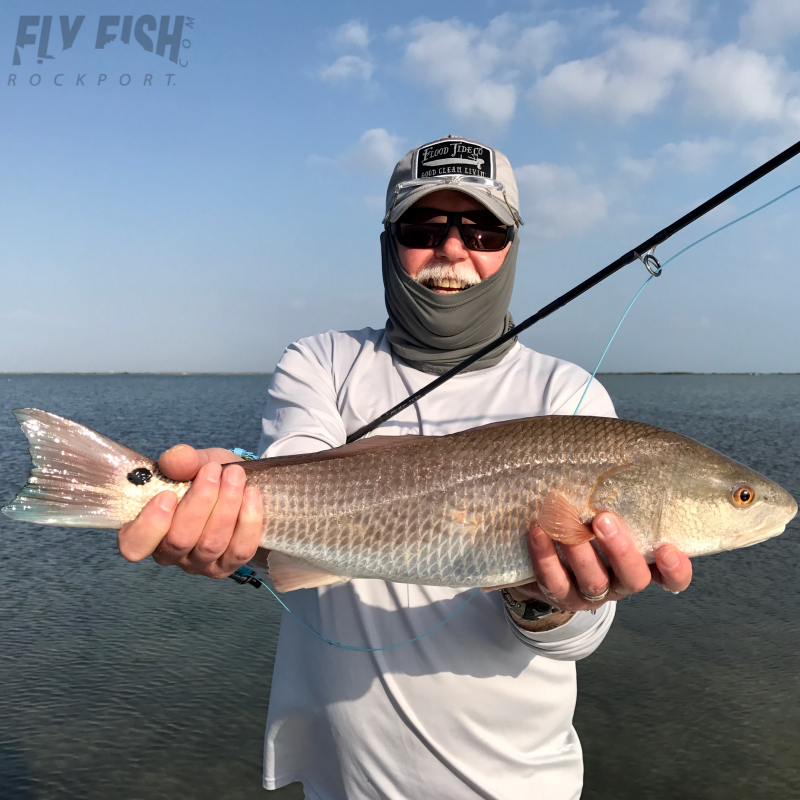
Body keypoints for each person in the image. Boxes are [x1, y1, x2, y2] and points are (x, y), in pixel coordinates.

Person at [117, 136, 693, 799]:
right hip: (341, 781)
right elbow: (291, 485)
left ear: (511, 246)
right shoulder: (320, 362)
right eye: (424, 228)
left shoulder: (573, 400)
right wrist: (228, 521)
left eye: (482, 230)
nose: (453, 249)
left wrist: (549, 602)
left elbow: (576, 641)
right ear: (388, 242)